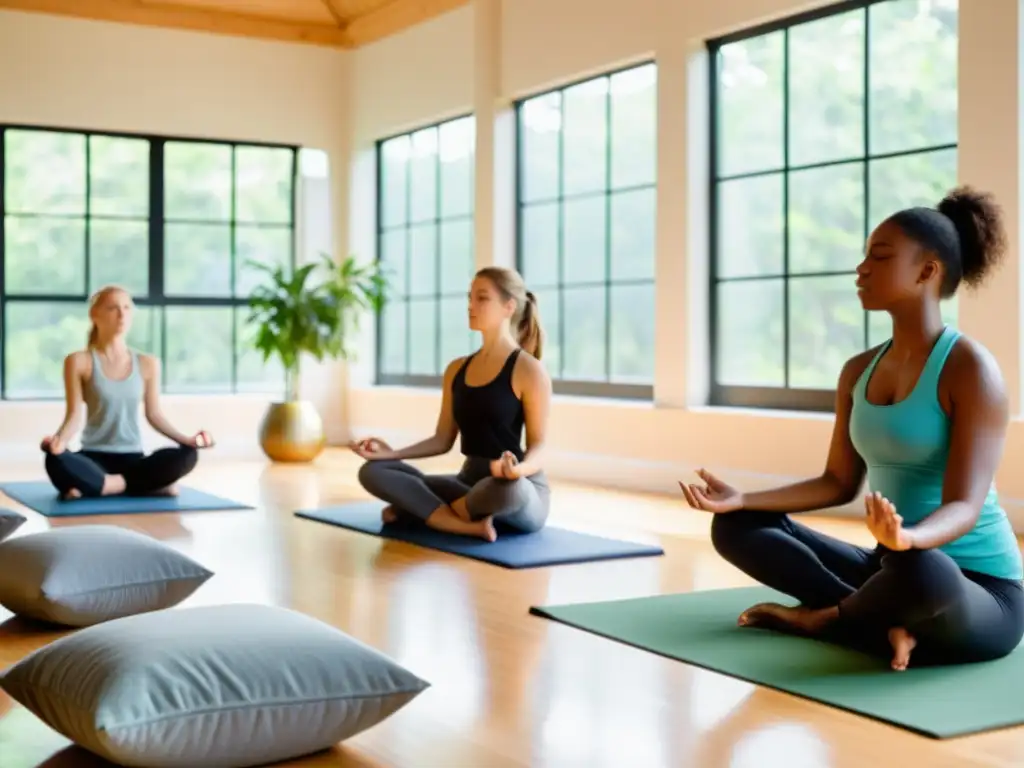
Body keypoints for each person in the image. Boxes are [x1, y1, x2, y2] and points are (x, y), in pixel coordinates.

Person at [682, 186, 1024, 671]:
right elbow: (837, 483)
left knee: (921, 572)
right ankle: (886, 625)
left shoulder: (971, 368)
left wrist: (908, 538)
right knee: (736, 528)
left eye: (880, 257)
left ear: (928, 271)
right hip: (890, 566)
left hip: (975, 590)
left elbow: (965, 505)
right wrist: (743, 500)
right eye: (865, 255)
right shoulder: (857, 370)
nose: (861, 269)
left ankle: (828, 620)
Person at [351, 266, 552, 542]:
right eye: (469, 298)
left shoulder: (529, 370)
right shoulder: (456, 369)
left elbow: (540, 447)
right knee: (374, 472)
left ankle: (427, 513)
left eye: (481, 298)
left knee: (508, 490)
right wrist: (389, 454)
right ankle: (463, 523)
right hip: (468, 483)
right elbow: (442, 439)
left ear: (509, 306)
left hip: (515, 488)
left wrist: (516, 470)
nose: (471, 305)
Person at [40, 285, 214, 500]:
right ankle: (141, 486)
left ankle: (104, 486)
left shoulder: (148, 363)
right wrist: (59, 443)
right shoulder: (78, 361)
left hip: (133, 459)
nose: (122, 315)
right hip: (93, 458)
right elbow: (74, 415)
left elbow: (154, 414)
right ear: (95, 315)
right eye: (113, 308)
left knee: (187, 455)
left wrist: (187, 440)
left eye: (127, 308)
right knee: (54, 459)